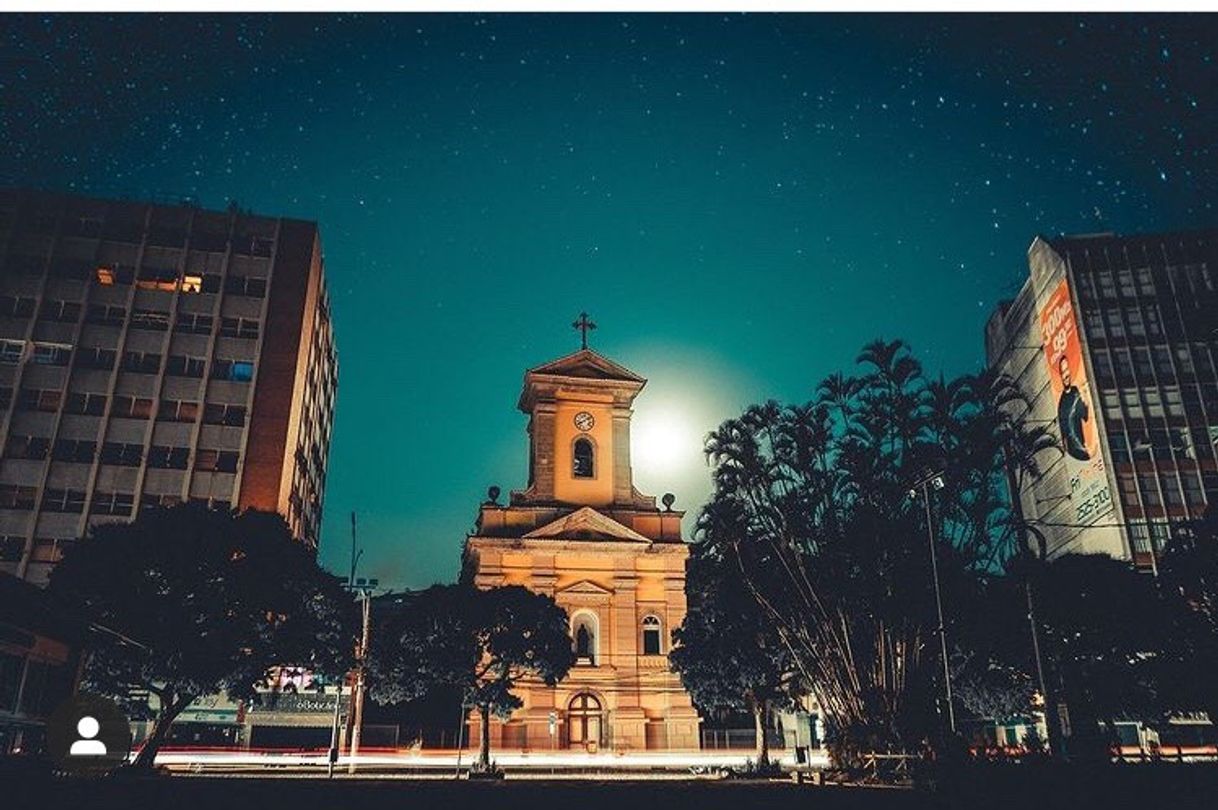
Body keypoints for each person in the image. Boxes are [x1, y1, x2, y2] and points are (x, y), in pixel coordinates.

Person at [1056, 355, 1091, 461]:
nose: (1066, 375)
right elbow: (1063, 432)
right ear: (1060, 375)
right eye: (1063, 372)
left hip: (1083, 444)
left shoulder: (1076, 391)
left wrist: (1086, 397)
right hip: (1074, 449)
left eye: (1067, 370)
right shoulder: (1061, 402)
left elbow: (1085, 415)